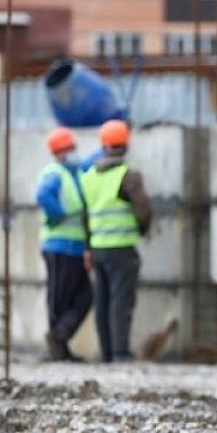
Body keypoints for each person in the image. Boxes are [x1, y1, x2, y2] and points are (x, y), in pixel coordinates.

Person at [79, 119, 151, 362]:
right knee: (121, 300)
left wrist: (87, 247)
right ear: (126, 144)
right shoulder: (128, 175)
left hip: (98, 248)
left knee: (103, 300)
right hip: (121, 247)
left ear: (103, 145)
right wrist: (142, 229)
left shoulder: (89, 177)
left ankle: (107, 352)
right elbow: (143, 209)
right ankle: (120, 352)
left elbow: (85, 215)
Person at [35, 127, 92, 361]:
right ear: (60, 152)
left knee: (85, 297)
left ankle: (59, 338)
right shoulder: (55, 173)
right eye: (70, 148)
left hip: (75, 247)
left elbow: (91, 161)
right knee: (59, 299)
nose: (74, 152)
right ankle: (58, 345)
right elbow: (43, 195)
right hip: (59, 246)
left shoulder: (74, 173)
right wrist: (58, 215)